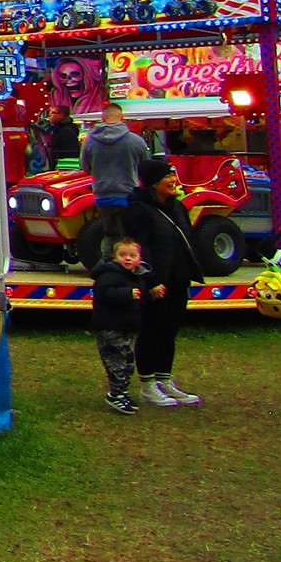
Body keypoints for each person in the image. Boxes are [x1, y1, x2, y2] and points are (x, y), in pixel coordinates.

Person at [123, 157, 204, 406]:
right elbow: (140, 249)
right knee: (151, 330)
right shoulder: (139, 209)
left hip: (178, 279)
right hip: (155, 283)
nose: (173, 180)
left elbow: (186, 238)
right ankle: (148, 385)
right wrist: (153, 280)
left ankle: (164, 379)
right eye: (167, 176)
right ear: (154, 182)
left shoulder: (177, 206)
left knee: (169, 331)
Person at [89, 233, 156, 414]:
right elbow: (103, 293)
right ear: (115, 257)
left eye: (132, 256)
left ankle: (122, 392)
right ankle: (116, 394)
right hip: (110, 327)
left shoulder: (137, 276)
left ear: (139, 258)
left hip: (127, 327)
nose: (127, 259)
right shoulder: (110, 274)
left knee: (127, 361)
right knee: (116, 361)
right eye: (123, 255)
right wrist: (126, 294)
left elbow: (141, 298)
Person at [80, 102, 149, 214]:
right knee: (130, 230)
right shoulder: (136, 141)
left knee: (109, 231)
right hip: (129, 195)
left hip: (102, 197)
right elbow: (145, 167)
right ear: (122, 118)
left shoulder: (89, 142)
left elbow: (85, 168)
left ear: (102, 118)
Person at [45, 105, 82, 169]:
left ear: (61, 115)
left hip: (64, 165)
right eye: (49, 112)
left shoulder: (65, 131)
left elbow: (69, 152)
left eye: (53, 113)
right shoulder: (55, 128)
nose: (50, 115)